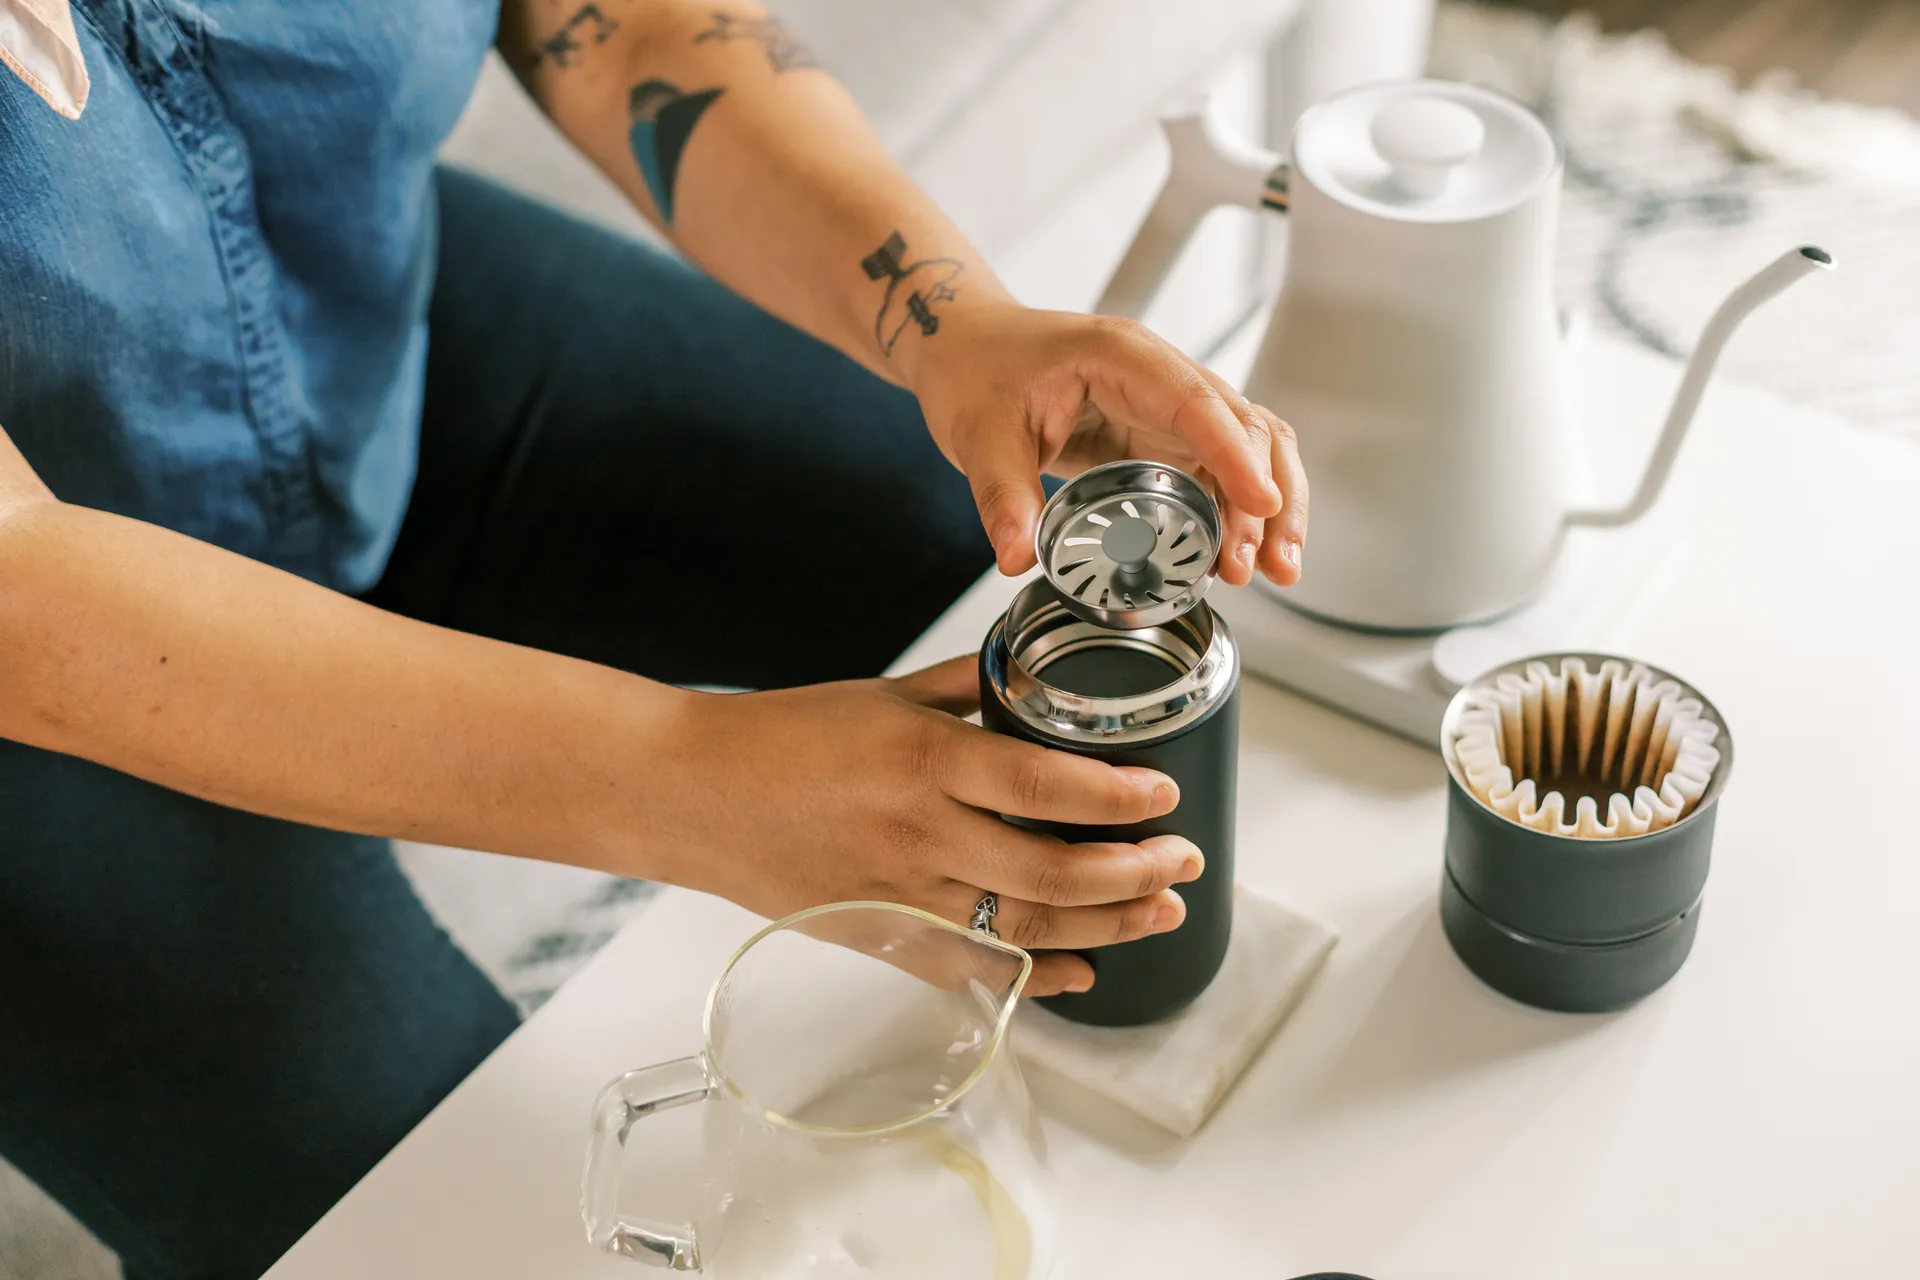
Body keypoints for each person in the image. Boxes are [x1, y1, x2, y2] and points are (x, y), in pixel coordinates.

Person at [0, 2, 1307, 1274]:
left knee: (945, 543)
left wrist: (960, 328)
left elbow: (615, 20)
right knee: (439, 1205)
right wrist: (686, 779)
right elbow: (26, 589)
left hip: (336, 334)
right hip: (29, 661)